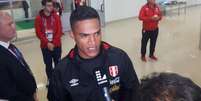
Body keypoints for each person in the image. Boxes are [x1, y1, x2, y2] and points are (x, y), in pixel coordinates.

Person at [48, 6, 140, 101]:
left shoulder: (119, 58)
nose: (93, 42)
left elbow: (134, 92)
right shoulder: (62, 72)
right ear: (72, 34)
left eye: (97, 33)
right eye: (84, 35)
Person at [0, 12, 38, 101]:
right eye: (9, 24)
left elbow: (23, 68)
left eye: (13, 23)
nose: (14, 27)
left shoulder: (10, 46)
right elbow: (8, 92)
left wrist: (33, 91)